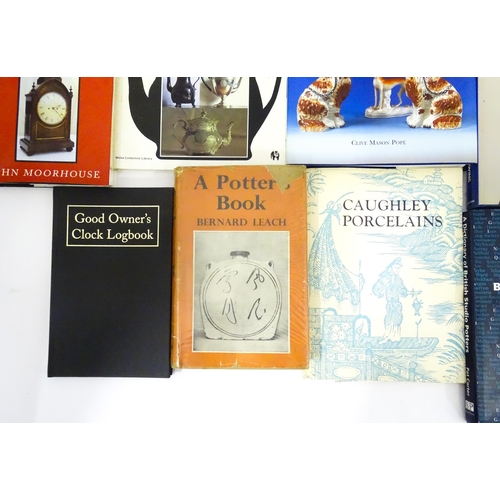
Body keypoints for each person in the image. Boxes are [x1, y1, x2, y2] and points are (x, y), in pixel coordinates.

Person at [372, 257, 408, 344]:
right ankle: (387, 336)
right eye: (395, 268)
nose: (397, 270)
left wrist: (404, 292)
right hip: (391, 302)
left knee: (397, 319)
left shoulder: (398, 279)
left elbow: (402, 289)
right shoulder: (386, 277)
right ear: (391, 268)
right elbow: (377, 287)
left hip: (397, 302)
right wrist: (378, 293)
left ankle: (395, 337)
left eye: (398, 268)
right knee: (390, 319)